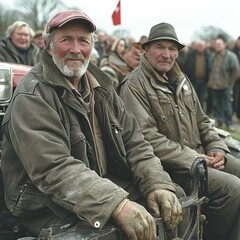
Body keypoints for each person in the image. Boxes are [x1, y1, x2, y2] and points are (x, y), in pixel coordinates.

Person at [1, 10, 183, 239]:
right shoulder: (33, 94)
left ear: (92, 46)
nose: (76, 49)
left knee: (173, 204)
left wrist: (157, 183)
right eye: (66, 39)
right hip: (44, 202)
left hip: (99, 185)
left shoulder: (103, 87)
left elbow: (135, 142)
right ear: (48, 46)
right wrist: (116, 205)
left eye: (84, 41)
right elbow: (54, 169)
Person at [118, 22, 240, 240]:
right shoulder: (134, 85)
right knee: (232, 188)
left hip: (201, 156)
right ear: (146, 51)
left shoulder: (181, 79)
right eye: (160, 47)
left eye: (172, 48)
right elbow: (147, 138)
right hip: (173, 169)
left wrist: (217, 148)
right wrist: (195, 158)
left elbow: (203, 120)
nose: (167, 54)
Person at [208, 34, 240, 131]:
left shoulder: (231, 56)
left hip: (225, 86)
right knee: (217, 105)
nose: (217, 46)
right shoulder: (213, 56)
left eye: (219, 44)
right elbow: (210, 69)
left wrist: (229, 82)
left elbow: (236, 72)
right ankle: (219, 121)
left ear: (224, 45)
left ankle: (229, 123)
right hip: (214, 86)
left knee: (227, 105)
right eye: (216, 44)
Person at [183, 40, 212, 111]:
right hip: (193, 80)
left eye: (201, 46)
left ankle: (201, 114)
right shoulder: (191, 55)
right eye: (198, 46)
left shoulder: (209, 56)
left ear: (204, 47)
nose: (200, 47)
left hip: (204, 81)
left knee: (202, 98)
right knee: (193, 98)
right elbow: (185, 67)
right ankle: (194, 113)